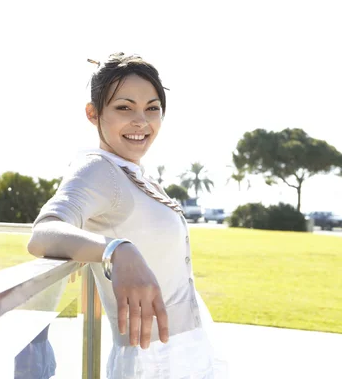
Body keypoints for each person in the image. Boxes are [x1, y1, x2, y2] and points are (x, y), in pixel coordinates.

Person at [27, 53, 228, 378]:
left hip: (186, 350)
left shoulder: (132, 172)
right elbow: (43, 233)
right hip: (153, 362)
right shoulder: (97, 169)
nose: (141, 120)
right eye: (124, 107)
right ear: (94, 113)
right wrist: (116, 250)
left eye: (152, 108)